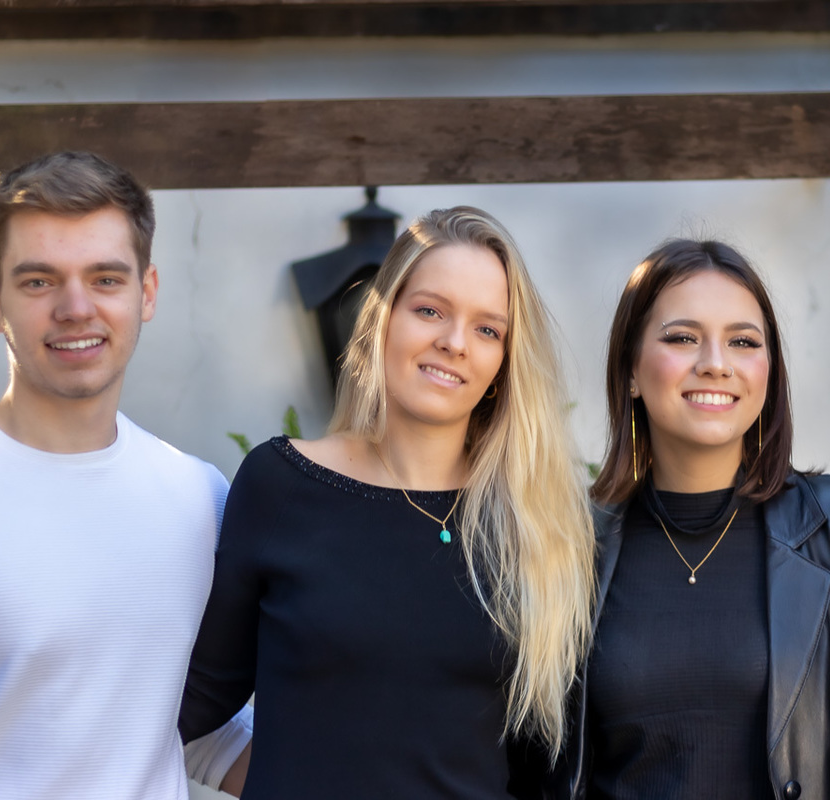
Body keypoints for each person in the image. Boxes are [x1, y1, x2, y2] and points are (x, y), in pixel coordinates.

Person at [179, 206, 595, 797]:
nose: (454, 343)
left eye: (487, 329)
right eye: (430, 310)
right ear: (382, 320)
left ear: (504, 362)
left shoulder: (535, 526)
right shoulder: (279, 485)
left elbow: (545, 770)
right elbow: (193, 700)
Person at [0, 151, 250, 799]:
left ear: (146, 293)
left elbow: (194, 728)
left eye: (106, 279)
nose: (75, 307)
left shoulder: (201, 498)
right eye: (38, 282)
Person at [561, 239, 830, 799]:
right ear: (629, 369)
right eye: (682, 338)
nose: (716, 364)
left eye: (743, 342)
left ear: (769, 371)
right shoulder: (572, 545)